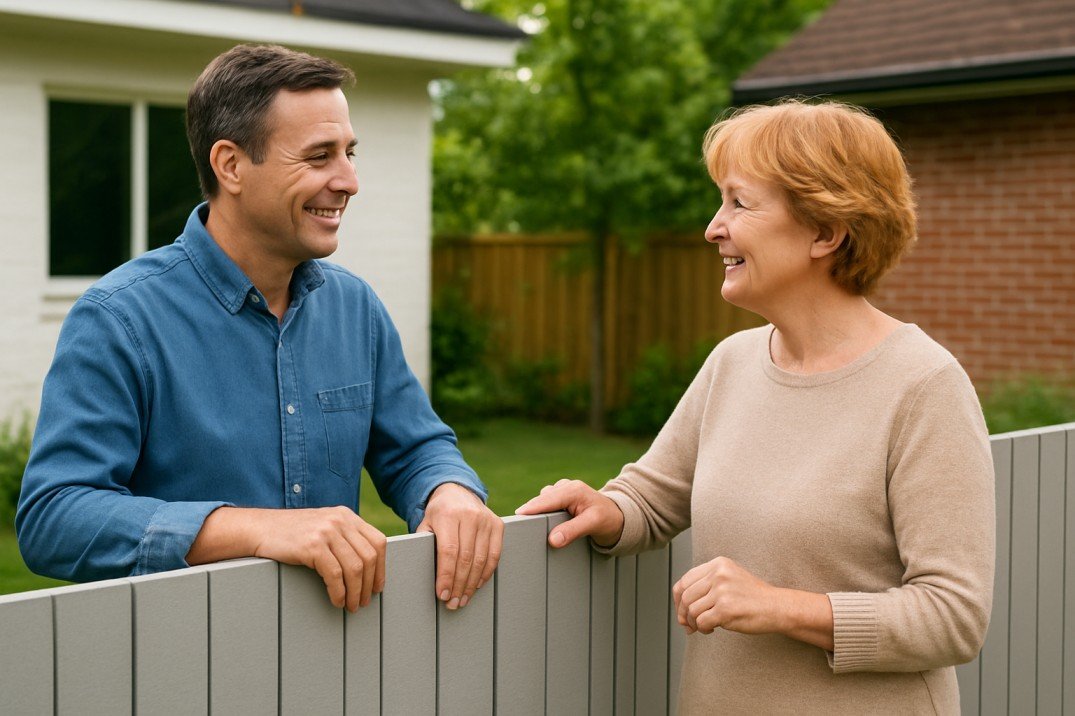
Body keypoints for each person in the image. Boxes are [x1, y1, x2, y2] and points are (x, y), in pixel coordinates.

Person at [518, 100, 995, 713]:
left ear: (826, 232)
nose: (713, 228)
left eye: (739, 204)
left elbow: (955, 616)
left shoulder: (923, 385)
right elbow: (653, 497)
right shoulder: (734, 363)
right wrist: (607, 510)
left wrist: (779, 605)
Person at [17, 44, 503, 614]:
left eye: (349, 153)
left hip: (334, 665)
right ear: (230, 165)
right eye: (320, 156)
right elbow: (55, 517)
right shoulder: (119, 318)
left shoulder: (356, 307)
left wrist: (448, 491)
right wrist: (252, 530)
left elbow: (417, 447)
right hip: (179, 671)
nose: (349, 181)